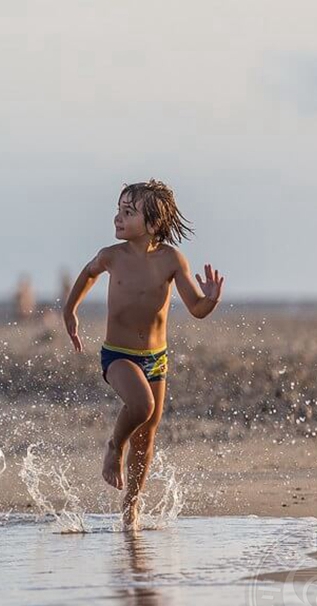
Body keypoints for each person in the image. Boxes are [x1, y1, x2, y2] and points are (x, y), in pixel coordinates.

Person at [62, 180, 225, 529]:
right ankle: (113, 448)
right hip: (118, 355)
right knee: (141, 406)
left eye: (128, 212)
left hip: (157, 359)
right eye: (118, 210)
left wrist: (210, 300)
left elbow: (196, 307)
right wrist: (70, 310)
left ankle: (131, 507)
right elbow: (88, 274)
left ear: (152, 224)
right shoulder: (111, 256)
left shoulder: (171, 260)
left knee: (147, 435)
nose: (117, 218)